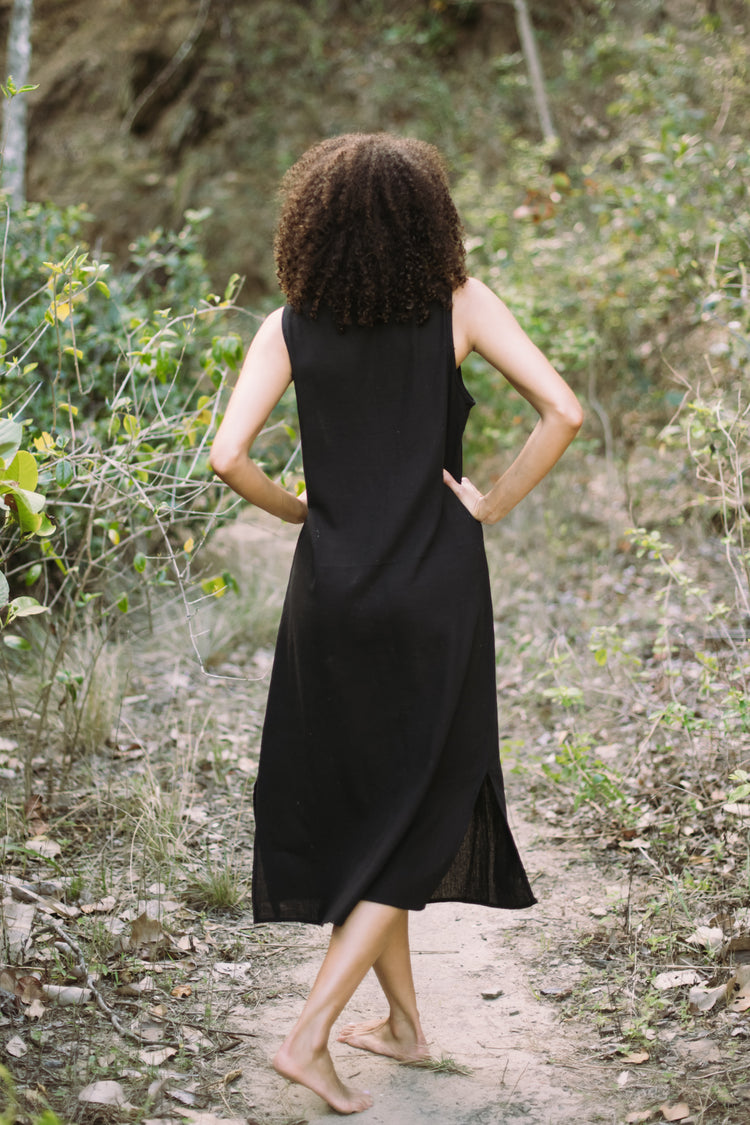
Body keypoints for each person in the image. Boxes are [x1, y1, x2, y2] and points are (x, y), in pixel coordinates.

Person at [209, 133, 583, 1115]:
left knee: (379, 799)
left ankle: (409, 1027)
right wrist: (491, 503)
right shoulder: (459, 304)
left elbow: (227, 455)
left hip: (330, 595)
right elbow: (563, 410)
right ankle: (306, 1035)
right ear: (430, 220)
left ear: (315, 224)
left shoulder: (287, 325)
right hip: (435, 590)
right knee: (422, 807)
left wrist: (298, 511)